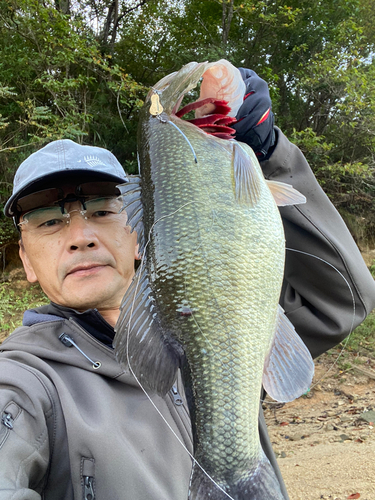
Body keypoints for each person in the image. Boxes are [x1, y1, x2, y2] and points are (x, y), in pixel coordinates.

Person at [0, 69, 374, 500]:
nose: (81, 236)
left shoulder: (216, 318)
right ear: (25, 261)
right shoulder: (26, 382)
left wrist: (270, 153)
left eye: (103, 212)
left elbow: (344, 299)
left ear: (140, 232)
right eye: (49, 222)